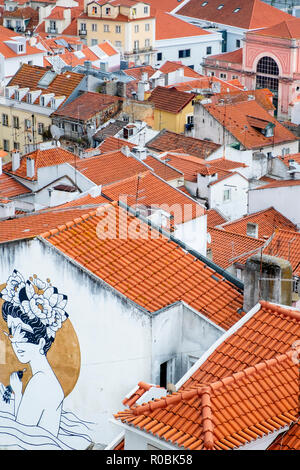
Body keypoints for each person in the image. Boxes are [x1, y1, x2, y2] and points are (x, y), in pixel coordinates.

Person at [0, 270, 68, 437]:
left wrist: (17, 396)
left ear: (41, 342)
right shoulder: (46, 378)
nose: (14, 341)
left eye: (23, 333)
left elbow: (20, 435)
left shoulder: (40, 383)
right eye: (11, 332)